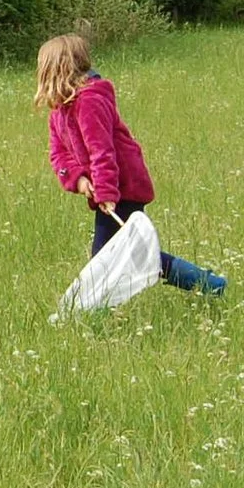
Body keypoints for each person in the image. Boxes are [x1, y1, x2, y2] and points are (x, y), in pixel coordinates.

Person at [36, 32, 225, 295]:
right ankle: (209, 285)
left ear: (56, 70)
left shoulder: (89, 102)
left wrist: (106, 192)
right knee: (139, 255)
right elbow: (58, 153)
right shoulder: (59, 110)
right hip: (108, 190)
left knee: (105, 258)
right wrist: (79, 180)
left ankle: (94, 311)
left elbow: (102, 150)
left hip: (124, 188)